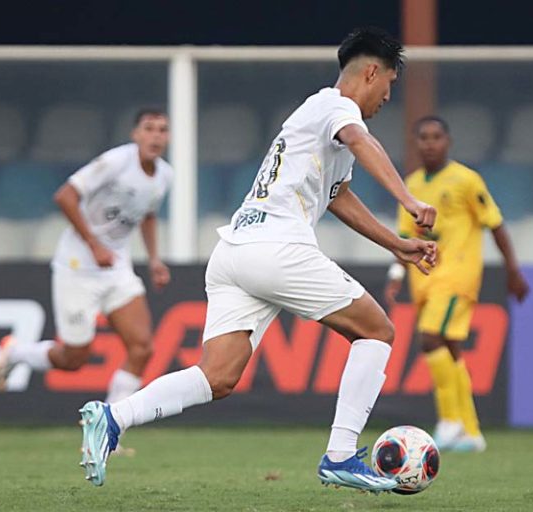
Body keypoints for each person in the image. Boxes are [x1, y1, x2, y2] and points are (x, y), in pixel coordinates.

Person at [77, 27, 437, 492]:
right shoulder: (336, 107)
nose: (387, 97)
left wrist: (395, 243)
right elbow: (363, 142)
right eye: (388, 85)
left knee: (219, 375)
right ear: (371, 72)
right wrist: (408, 199)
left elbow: (338, 196)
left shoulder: (322, 122)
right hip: (276, 247)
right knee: (378, 330)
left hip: (235, 251)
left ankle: (113, 415)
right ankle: (341, 454)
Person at [0, 108, 173, 413]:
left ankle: (109, 428)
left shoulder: (165, 175)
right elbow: (65, 196)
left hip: (116, 268)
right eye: (149, 128)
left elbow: (148, 214)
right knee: (74, 359)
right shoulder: (115, 162)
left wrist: (155, 259)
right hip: (77, 267)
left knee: (142, 347)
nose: (156, 136)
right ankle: (17, 353)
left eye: (163, 130)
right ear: (136, 134)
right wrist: (94, 245)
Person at [384, 116, 529, 453]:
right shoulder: (411, 184)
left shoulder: (466, 180)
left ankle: (449, 422)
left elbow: (495, 224)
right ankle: (471, 431)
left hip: (457, 274)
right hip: (426, 278)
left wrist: (513, 270)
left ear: (448, 141)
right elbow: (405, 235)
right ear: (416, 143)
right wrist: (395, 275)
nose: (430, 143)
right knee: (450, 349)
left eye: (436, 137)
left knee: (430, 337)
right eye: (423, 137)